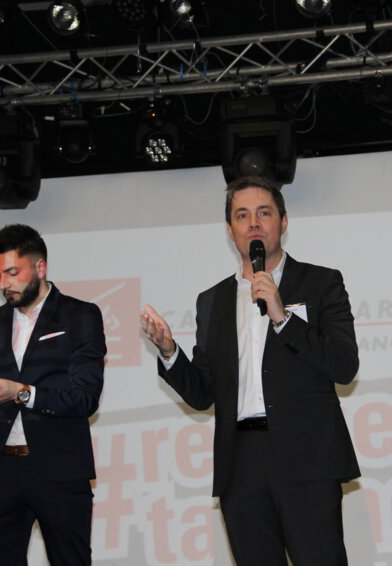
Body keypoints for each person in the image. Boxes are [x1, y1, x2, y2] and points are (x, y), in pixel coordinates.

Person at [140, 176, 360, 566]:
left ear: (283, 222)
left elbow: (344, 365)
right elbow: (203, 393)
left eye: (263, 213)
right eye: (242, 216)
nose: (253, 224)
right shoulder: (212, 300)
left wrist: (283, 317)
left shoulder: (322, 282)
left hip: (307, 458)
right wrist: (169, 350)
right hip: (241, 463)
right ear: (230, 230)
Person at [0, 224, 106, 566]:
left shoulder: (80, 315)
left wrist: (21, 393)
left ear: (40, 267)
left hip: (60, 466)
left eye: (13, 273)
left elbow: (84, 398)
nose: (4, 284)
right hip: (0, 467)